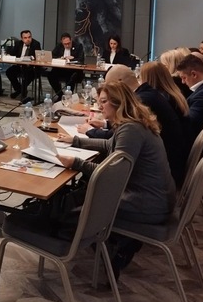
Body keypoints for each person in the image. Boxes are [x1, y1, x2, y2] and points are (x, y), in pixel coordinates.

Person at [57, 81, 176, 277]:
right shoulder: (132, 123)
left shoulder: (131, 130)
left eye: (103, 102)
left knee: (78, 211)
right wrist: (76, 141)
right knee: (81, 196)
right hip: (155, 197)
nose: (100, 106)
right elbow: (109, 144)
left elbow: (112, 174)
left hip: (149, 204)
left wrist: (76, 163)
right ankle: (111, 246)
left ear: (118, 103)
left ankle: (109, 254)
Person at [140, 61, 194, 187]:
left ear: (146, 78)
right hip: (178, 155)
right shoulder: (173, 94)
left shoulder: (156, 99)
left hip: (169, 164)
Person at [5, 29, 42, 101]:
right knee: (9, 72)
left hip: (31, 68)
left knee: (28, 74)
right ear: (22, 39)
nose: (28, 39)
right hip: (20, 66)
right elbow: (12, 53)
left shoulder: (36, 44)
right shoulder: (18, 43)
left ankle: (21, 92)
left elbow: (38, 57)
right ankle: (20, 90)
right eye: (25, 38)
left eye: (29, 37)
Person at [46, 32, 85, 100]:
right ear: (62, 42)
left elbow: (81, 59)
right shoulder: (59, 46)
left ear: (71, 40)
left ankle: (68, 97)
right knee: (50, 75)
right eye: (65, 44)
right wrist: (60, 58)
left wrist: (72, 58)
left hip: (74, 71)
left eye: (68, 43)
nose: (67, 45)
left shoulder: (78, 46)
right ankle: (60, 95)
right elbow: (52, 56)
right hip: (61, 70)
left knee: (71, 77)